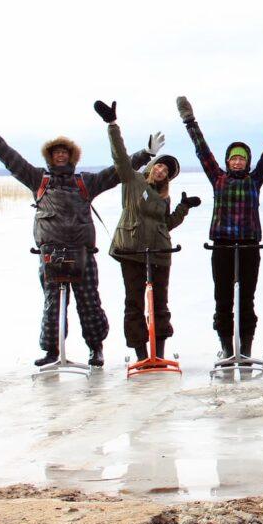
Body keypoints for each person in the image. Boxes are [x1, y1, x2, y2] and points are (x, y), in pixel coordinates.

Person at [0, 104, 154, 367]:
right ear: (50, 157)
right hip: (50, 253)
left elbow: (117, 172)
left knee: (89, 302)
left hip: (83, 253)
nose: (61, 156)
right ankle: (53, 352)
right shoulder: (37, 179)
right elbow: (10, 158)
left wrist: (146, 154)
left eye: (65, 152)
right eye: (56, 153)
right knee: (53, 305)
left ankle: (95, 349)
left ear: (72, 156)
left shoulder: (85, 182)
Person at [176, 95, 263, 359]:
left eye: (242, 159)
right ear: (228, 161)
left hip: (250, 245)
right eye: (234, 158)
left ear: (247, 162)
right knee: (223, 301)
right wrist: (189, 121)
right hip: (222, 246)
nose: (238, 162)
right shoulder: (218, 179)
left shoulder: (254, 180)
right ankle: (228, 348)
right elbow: (201, 150)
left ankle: (247, 347)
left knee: (246, 302)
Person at [94, 100, 199, 361]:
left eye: (168, 171)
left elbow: (167, 224)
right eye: (161, 166)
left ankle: (159, 354)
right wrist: (112, 125)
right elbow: (119, 156)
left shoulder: (164, 198)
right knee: (134, 304)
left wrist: (183, 208)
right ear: (153, 166)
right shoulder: (133, 181)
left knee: (160, 304)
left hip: (160, 253)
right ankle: (142, 356)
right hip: (131, 250)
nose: (163, 171)